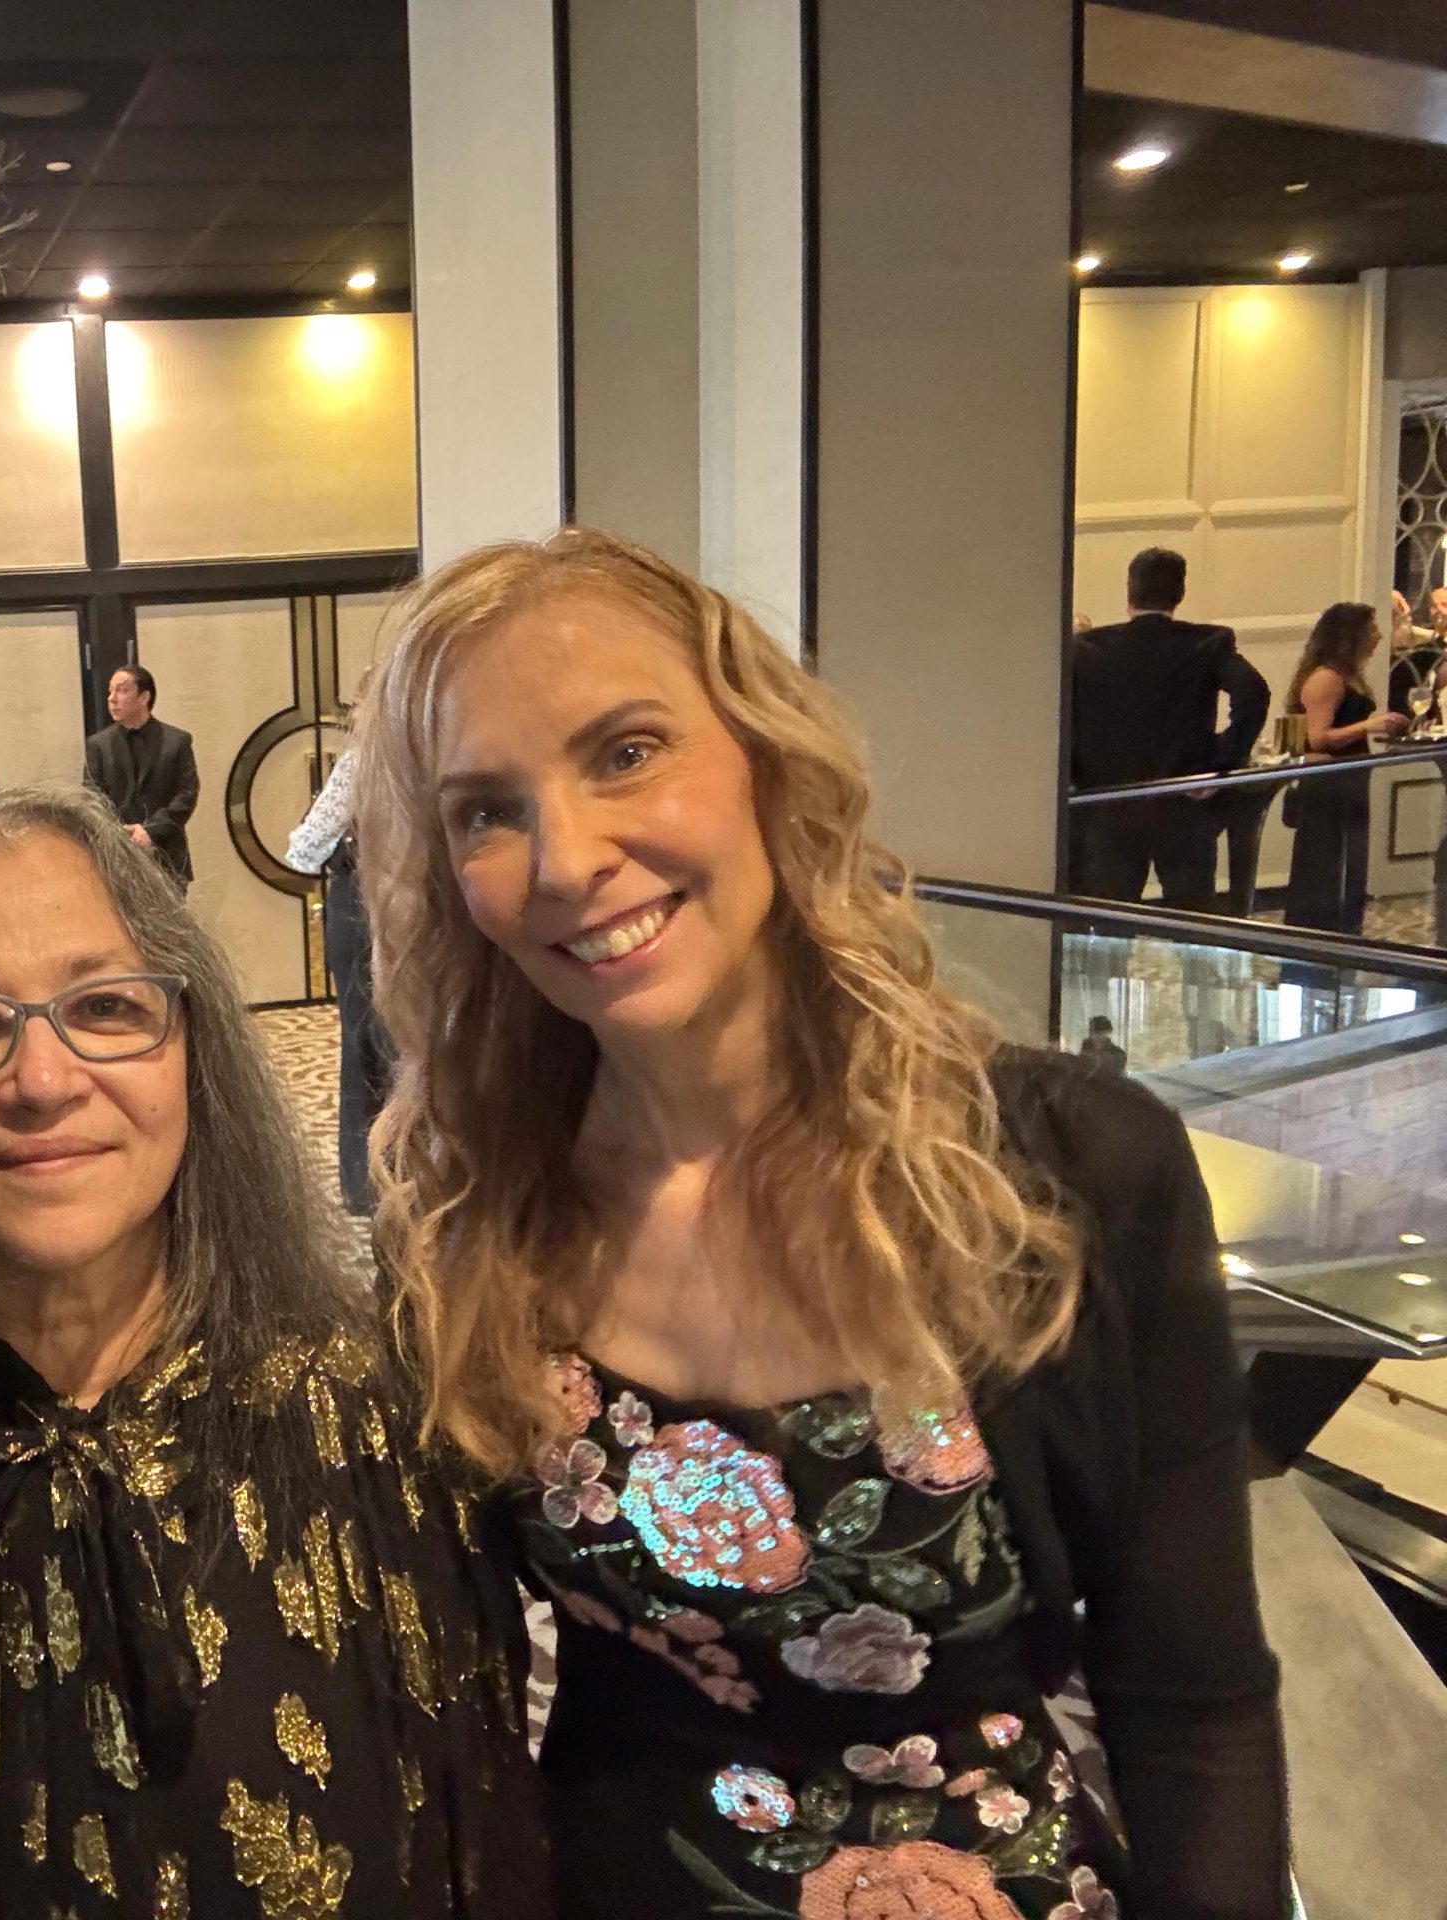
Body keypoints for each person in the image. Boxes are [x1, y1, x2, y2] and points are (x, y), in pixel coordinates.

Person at [353, 528, 1285, 1919]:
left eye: (626, 753)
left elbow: (1194, 1710)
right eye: (486, 811)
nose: (566, 858)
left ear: (765, 757)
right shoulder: (473, 1220)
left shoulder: (1064, 1171)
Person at [0, 784, 551, 1919]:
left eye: (106, 1007)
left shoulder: (378, 1430)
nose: (42, 1081)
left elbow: (478, 1840)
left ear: (190, 1047)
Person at [1068, 546, 1268, 907]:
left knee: (1109, 918)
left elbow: (1061, 715)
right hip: (1182, 800)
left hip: (1110, 802)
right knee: (1191, 917)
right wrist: (1220, 760)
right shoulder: (1206, 643)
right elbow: (1254, 694)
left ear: (1130, 591)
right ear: (1180, 593)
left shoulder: (1087, 649)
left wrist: (1078, 772)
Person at [285, 738, 392, 1215]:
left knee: (364, 1042)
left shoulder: (365, 758)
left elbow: (305, 850)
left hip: (364, 908)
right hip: (424, 911)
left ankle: (367, 1183)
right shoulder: (444, 746)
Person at [1281, 601, 1405, 934]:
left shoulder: (1348, 676)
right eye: (1371, 629)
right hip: (1328, 786)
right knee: (1327, 868)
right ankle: (1320, 936)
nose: (1378, 636)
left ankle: (1345, 934)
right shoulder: (1327, 679)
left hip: (1348, 782)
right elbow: (1317, 738)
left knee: (1349, 867)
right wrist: (1369, 726)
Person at [85, 664, 201, 892]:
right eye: (110, 691)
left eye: (122, 690)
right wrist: (121, 832)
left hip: (165, 854)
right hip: (116, 855)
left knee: (169, 915)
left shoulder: (176, 741)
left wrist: (150, 831)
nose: (112, 698)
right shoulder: (98, 745)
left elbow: (186, 794)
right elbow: (91, 795)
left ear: (144, 697)